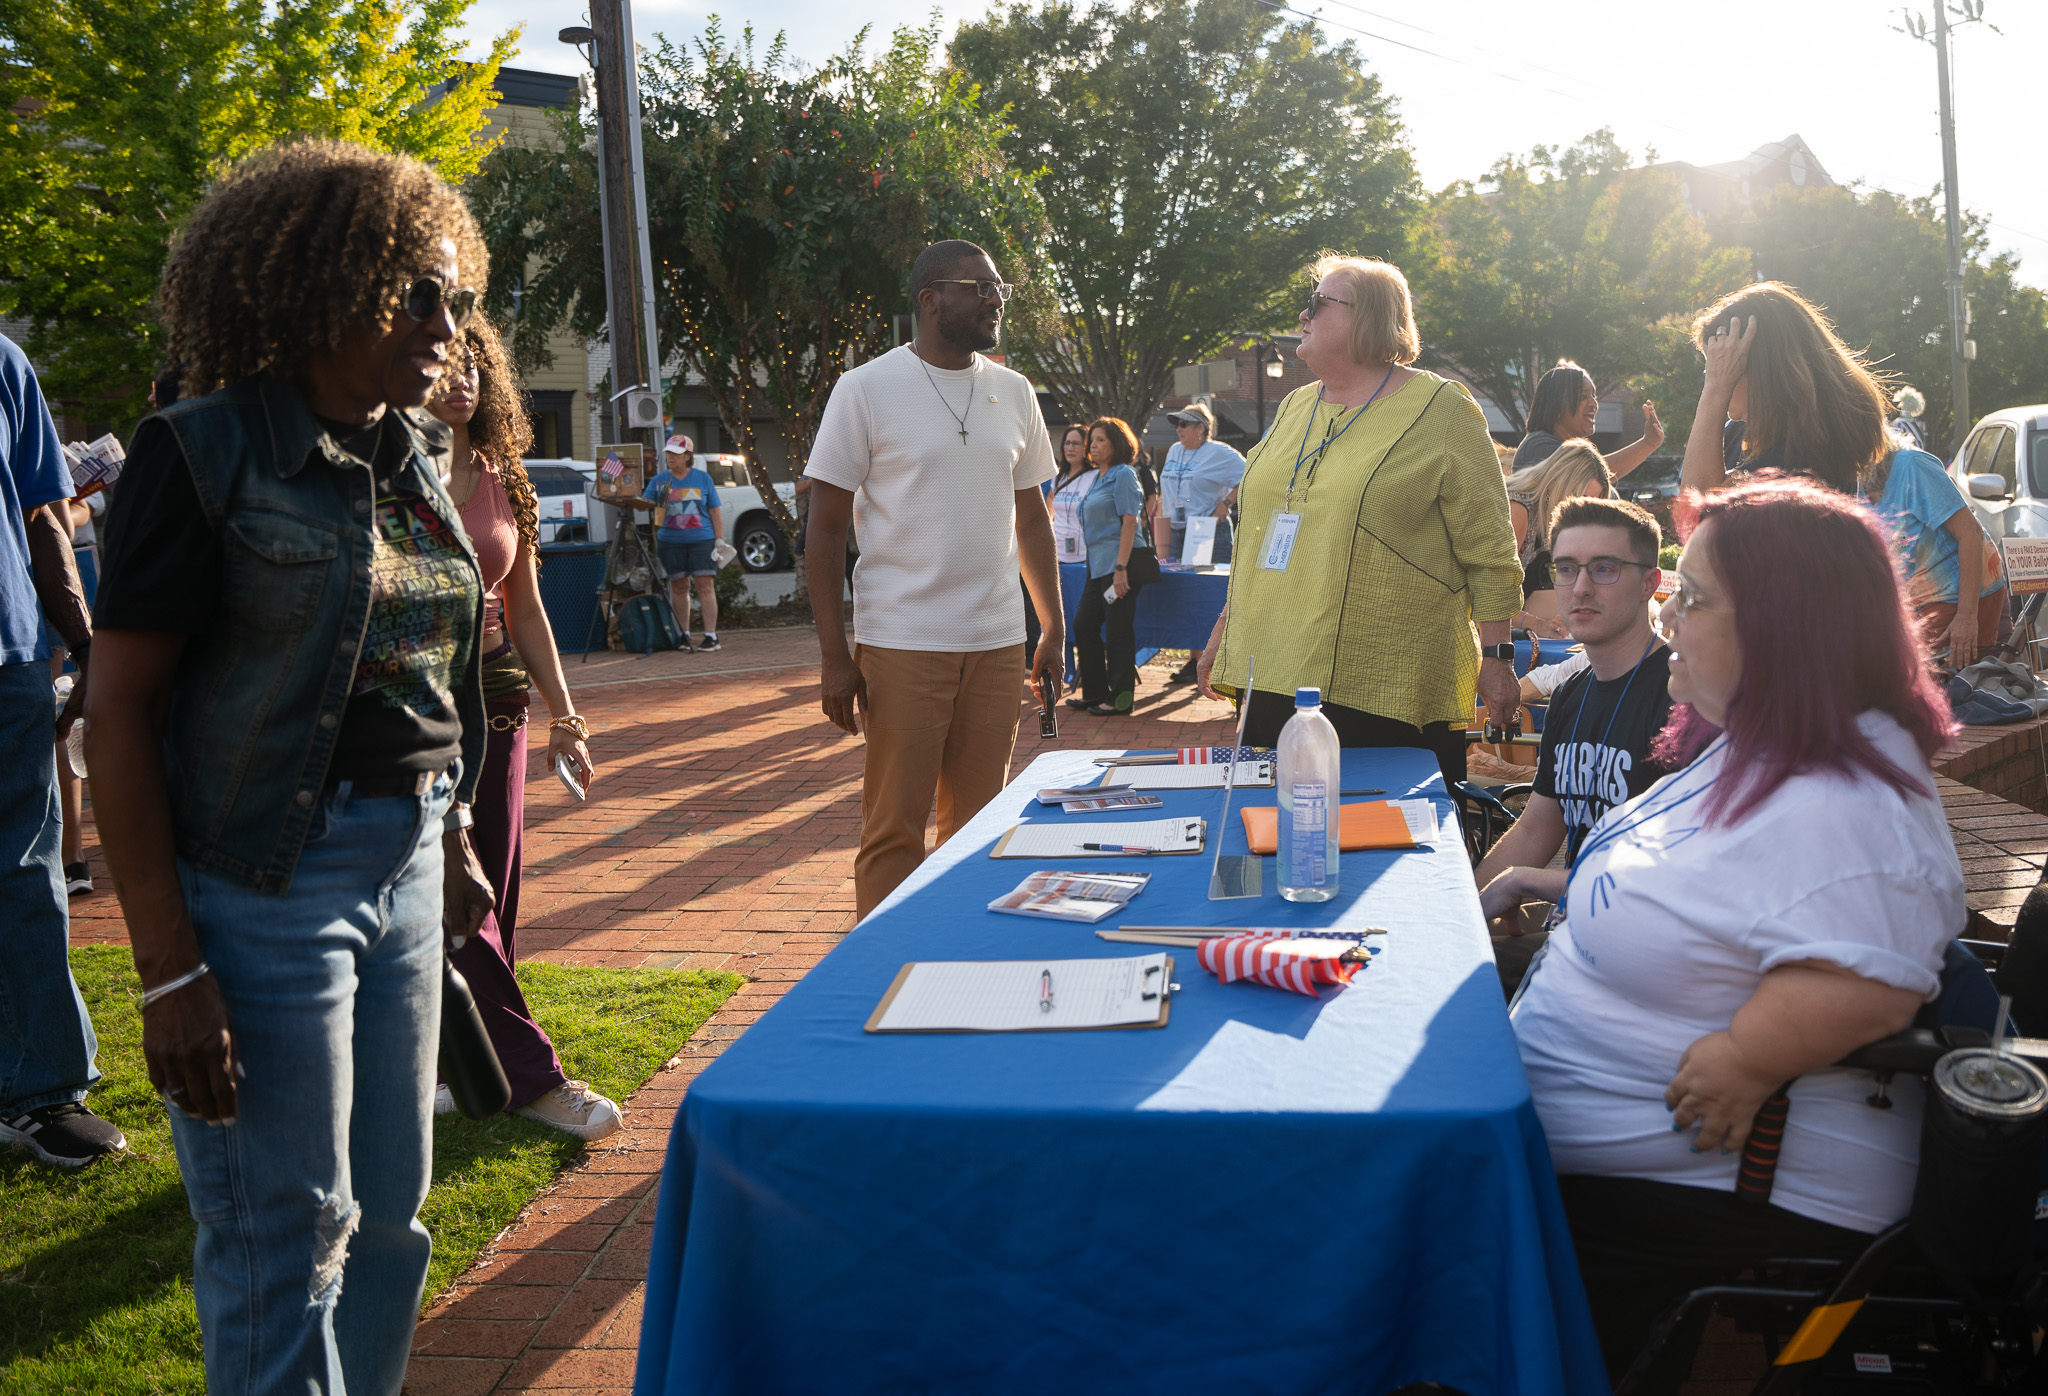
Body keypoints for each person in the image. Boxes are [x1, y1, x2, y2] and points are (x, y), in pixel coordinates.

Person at [86, 139, 495, 1393]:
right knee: (285, 1243)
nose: (447, 325)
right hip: (268, 887)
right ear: (330, 284)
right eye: (418, 294)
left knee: (391, 1220)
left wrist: (456, 832)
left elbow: (425, 669)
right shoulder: (201, 451)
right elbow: (116, 710)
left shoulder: (410, 452)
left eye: (460, 298)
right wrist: (167, 972)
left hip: (412, 858)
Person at [1508, 477, 1961, 1385]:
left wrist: (1750, 1058)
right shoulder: (1761, 738)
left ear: (1785, 627)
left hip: (1734, 1187)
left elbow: (1871, 981)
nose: (1670, 614)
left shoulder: (1845, 795)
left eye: (1696, 597)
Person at [804, 239, 1064, 918]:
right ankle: (881, 974)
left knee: (978, 830)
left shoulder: (1013, 391)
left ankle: (957, 967)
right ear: (930, 300)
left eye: (998, 285)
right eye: (978, 286)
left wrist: (1053, 626)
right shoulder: (865, 388)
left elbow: (1031, 519)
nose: (995, 297)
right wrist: (836, 655)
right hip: (904, 640)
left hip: (998, 642)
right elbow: (825, 528)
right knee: (894, 831)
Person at [1194, 255, 1522, 789]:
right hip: (1275, 670)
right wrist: (1224, 631)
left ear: (1368, 316)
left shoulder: (1441, 407)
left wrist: (1497, 657)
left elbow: (1488, 550)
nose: (1302, 315)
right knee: (1278, 839)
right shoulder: (1296, 405)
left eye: (1318, 303)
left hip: (1385, 678)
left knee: (1386, 853)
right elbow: (1266, 537)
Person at [427, 315, 617, 1140]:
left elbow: (529, 605)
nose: (461, 377)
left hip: (501, 704)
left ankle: (455, 1064)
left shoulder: (502, 474)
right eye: (446, 363)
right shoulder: (386, 476)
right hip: (420, 709)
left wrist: (565, 714)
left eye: (475, 363)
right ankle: (534, 1079)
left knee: (493, 895)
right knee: (457, 896)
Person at [0, 332, 124, 1169]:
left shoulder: (4, 362)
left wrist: (86, 646)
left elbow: (46, 510)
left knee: (23, 870)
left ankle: (43, 1090)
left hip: (5, 660)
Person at [1474, 497, 1673, 990]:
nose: (1580, 587)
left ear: (1650, 582)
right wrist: (1461, 909)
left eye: (1604, 569)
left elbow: (1672, 882)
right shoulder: (1571, 694)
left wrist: (1527, 882)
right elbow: (1537, 828)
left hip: (1641, 960)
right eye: (1567, 569)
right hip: (1573, 935)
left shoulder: (1680, 698)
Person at [1678, 281, 1892, 501]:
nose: (1711, 375)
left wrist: (1716, 389)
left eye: (1719, 364)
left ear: (1761, 369)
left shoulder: (1804, 458)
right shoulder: (1734, 434)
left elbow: (1696, 507)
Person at [1861, 439, 2006, 669]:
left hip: (1963, 596)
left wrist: (1967, 617)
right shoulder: (1850, 482)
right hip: (1918, 601)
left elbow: (1970, 533)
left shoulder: (1912, 465)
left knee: (1926, 683)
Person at [1071, 417, 1156, 716]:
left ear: (1117, 443)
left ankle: (1120, 699)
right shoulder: (1097, 476)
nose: (1092, 445)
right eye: (1091, 440)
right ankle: (1094, 693)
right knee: (1084, 624)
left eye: (1100, 440)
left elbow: (1130, 522)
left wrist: (1121, 569)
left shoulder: (1123, 475)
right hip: (1097, 568)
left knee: (1118, 630)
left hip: (1120, 565)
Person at [1505, 439, 1613, 640]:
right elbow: (1488, 596)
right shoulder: (1518, 510)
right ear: (1556, 480)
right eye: (1577, 497)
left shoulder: (1552, 519)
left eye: (1589, 503)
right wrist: (1537, 624)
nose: (1581, 510)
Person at [639, 435, 724, 652]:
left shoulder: (703, 479)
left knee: (705, 585)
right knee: (678, 586)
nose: (670, 458)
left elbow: (714, 510)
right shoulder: (659, 481)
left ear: (687, 456)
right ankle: (683, 634)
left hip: (702, 541)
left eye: (675, 454)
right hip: (670, 542)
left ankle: (711, 636)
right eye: (668, 453)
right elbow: (645, 505)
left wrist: (719, 539)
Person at [1513, 360, 1663, 477]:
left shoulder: (1569, 449)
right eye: (1583, 396)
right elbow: (1593, 474)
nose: (1594, 404)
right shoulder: (1537, 446)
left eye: (1594, 395)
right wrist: (1648, 443)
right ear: (1556, 405)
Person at [1156, 402, 1244, 565]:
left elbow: (1249, 476)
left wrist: (1226, 503)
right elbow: (1166, 488)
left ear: (1201, 428)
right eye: (1176, 425)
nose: (1178, 429)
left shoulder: (1219, 452)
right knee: (1176, 587)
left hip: (1206, 531)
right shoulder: (1174, 450)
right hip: (1173, 532)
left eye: (1184, 424)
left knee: (1207, 585)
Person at [1048, 423, 1096, 568]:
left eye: (1076, 444)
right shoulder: (1058, 477)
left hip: (1086, 555)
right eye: (1067, 443)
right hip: (1058, 554)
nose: (1070, 448)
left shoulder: (1096, 476)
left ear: (1086, 447)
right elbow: (1050, 500)